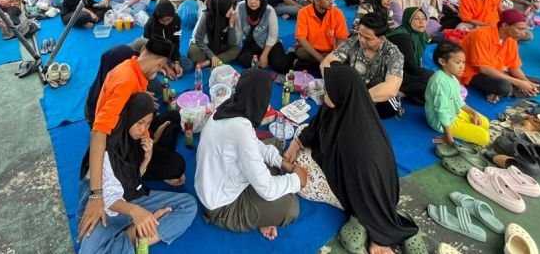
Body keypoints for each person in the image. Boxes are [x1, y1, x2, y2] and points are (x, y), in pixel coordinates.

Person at [287, 65, 420, 254]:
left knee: (303, 183)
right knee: (302, 132)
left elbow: (367, 183)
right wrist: (296, 145)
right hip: (343, 165)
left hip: (361, 190)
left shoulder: (361, 142)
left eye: (329, 91)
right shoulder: (345, 105)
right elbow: (316, 126)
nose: (325, 94)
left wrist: (379, 237)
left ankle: (367, 222)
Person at [79, 37, 185, 241]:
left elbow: (136, 120)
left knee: (173, 117)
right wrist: (96, 194)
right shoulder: (126, 80)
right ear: (160, 64)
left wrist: (149, 137)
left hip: (135, 135)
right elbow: (99, 132)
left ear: (143, 49)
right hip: (122, 151)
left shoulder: (132, 67)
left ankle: (156, 144)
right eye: (162, 66)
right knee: (177, 164)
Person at [77, 92, 197, 252]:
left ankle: (134, 233)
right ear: (130, 116)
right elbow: (108, 196)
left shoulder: (133, 141)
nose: (143, 130)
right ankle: (135, 234)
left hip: (129, 197)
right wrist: (136, 212)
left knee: (188, 205)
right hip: (102, 205)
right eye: (140, 122)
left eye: (148, 124)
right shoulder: (108, 146)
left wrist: (146, 160)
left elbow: (132, 182)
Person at [196, 70, 306, 241]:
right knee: (290, 208)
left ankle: (263, 209)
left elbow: (254, 144)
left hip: (218, 183)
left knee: (273, 146)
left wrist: (281, 163)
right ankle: (260, 215)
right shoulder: (241, 131)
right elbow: (267, 189)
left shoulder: (229, 107)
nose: (267, 106)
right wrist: (298, 180)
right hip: (221, 207)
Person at [322, 13, 404, 119]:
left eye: (368, 38)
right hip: (356, 87)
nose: (362, 40)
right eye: (360, 34)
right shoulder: (353, 41)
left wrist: (353, 100)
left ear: (382, 39)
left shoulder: (393, 53)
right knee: (337, 69)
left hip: (375, 94)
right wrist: (328, 91)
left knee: (387, 107)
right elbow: (326, 63)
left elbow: (391, 88)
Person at [460, 9, 540, 103]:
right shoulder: (480, 35)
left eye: (525, 29)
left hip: (499, 72)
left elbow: (513, 67)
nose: (523, 34)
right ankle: (503, 91)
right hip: (474, 73)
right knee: (504, 87)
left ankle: (497, 92)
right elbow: (484, 69)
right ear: (505, 26)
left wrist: (525, 82)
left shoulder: (511, 39)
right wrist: (518, 83)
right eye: (520, 29)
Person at [425, 41, 490, 146]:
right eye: (458, 62)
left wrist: (473, 113)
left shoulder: (452, 77)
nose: (462, 66)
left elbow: (458, 101)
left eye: (463, 62)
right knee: (484, 137)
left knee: (485, 123)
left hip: (454, 112)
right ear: (442, 61)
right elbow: (442, 112)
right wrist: (448, 137)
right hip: (442, 122)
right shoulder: (439, 81)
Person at [235, 0, 296, 73]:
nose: (253, 2)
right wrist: (235, 47)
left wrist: (264, 55)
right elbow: (238, 30)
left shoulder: (269, 10)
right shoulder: (240, 7)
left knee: (280, 65)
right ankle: (262, 57)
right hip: (252, 42)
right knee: (244, 61)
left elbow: (272, 36)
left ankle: (291, 53)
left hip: (270, 43)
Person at [294, 0, 349, 72]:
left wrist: (334, 56)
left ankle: (311, 65)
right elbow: (301, 39)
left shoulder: (337, 13)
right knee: (301, 53)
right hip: (311, 51)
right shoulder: (303, 13)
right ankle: (321, 65)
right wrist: (320, 58)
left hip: (330, 51)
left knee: (346, 56)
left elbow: (341, 38)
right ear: (316, 1)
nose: (331, 1)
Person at [131, 0, 192, 76]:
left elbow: (176, 41)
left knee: (188, 66)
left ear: (173, 16)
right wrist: (167, 68)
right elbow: (151, 50)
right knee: (143, 66)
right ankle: (161, 66)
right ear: (157, 18)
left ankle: (162, 65)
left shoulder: (177, 20)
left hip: (168, 50)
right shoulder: (151, 24)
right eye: (162, 20)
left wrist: (176, 61)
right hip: (152, 52)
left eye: (169, 19)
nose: (166, 23)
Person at [386, 7, 433, 104]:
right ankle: (398, 93)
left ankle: (410, 92)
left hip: (405, 70)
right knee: (432, 78)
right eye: (417, 19)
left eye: (424, 19)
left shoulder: (420, 35)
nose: (421, 22)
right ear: (408, 20)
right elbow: (411, 67)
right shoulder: (403, 36)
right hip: (390, 72)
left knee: (431, 90)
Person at [188, 0, 240, 67]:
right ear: (222, 7)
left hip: (220, 46)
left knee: (236, 50)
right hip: (204, 45)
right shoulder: (206, 16)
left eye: (233, 7)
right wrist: (212, 55)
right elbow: (198, 39)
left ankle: (208, 62)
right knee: (195, 54)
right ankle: (216, 60)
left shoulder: (229, 18)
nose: (232, 10)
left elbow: (232, 43)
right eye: (230, 7)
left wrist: (231, 25)